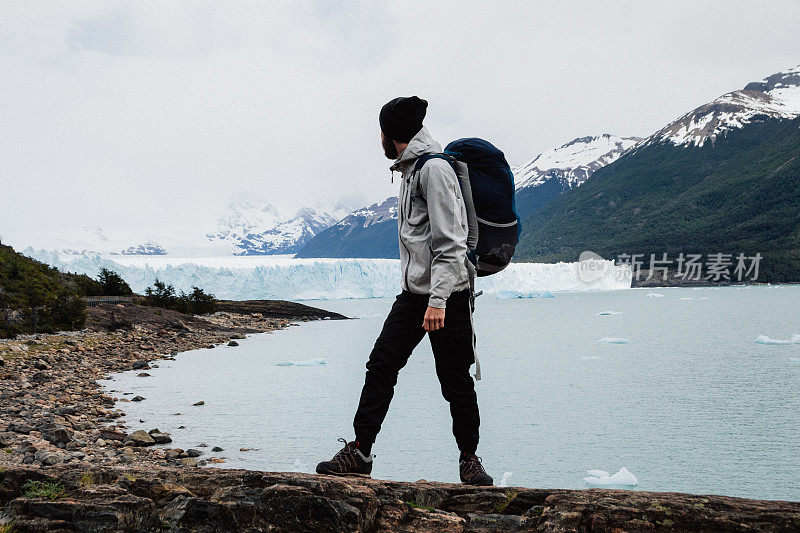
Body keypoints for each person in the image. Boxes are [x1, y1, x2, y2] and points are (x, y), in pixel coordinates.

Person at [315, 96, 493, 486]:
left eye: (380, 131)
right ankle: (360, 452)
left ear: (390, 134)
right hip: (415, 296)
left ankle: (470, 460)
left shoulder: (434, 171)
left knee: (454, 379)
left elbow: (451, 242)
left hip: (447, 297)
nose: (378, 139)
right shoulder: (410, 171)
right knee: (381, 365)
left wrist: (439, 301)